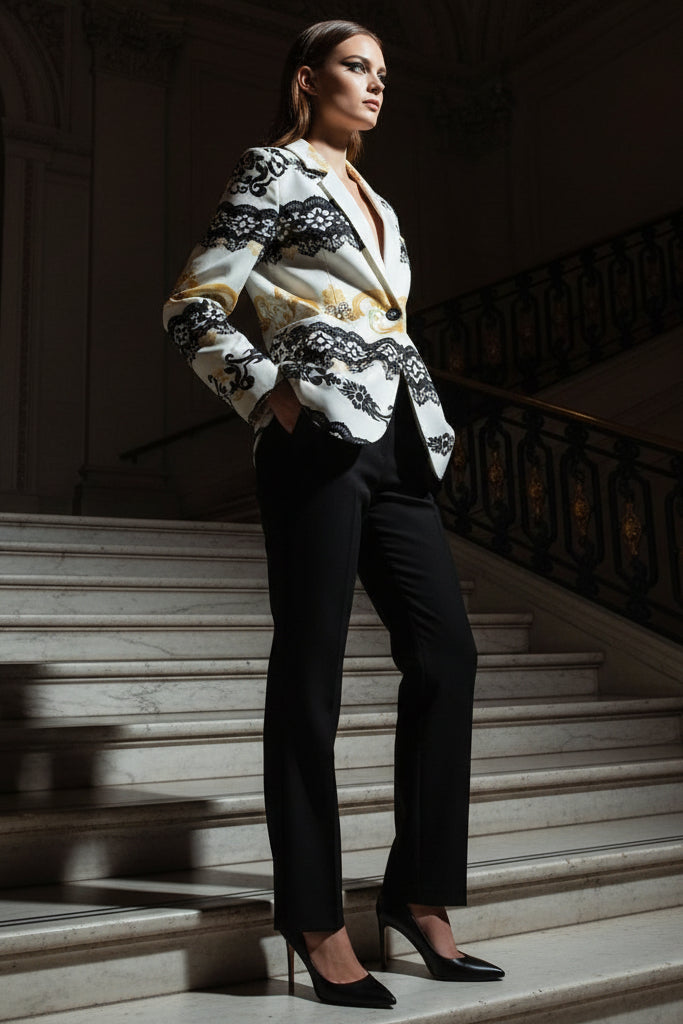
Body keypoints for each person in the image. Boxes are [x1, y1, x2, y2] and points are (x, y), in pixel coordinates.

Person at [163, 18, 504, 1009]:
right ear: (307, 80)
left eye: (385, 73)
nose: (375, 85)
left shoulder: (381, 204)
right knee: (308, 674)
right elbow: (192, 306)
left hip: (397, 441)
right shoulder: (272, 173)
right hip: (314, 437)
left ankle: (419, 897)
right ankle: (312, 920)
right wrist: (270, 391)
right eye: (356, 67)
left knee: (447, 655)